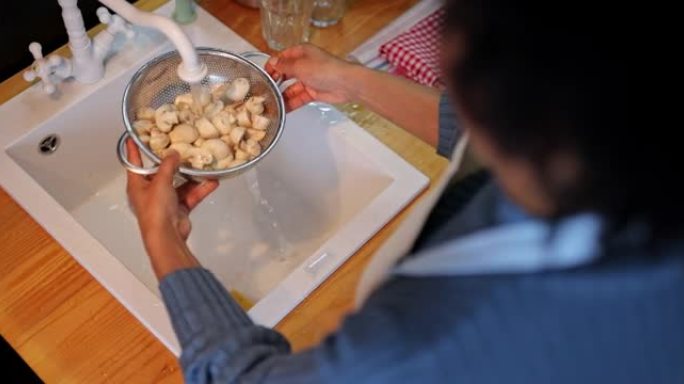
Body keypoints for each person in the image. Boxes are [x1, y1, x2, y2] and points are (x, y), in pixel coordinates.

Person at [125, 0, 682, 383]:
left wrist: (162, 239)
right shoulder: (603, 145)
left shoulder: (426, 341)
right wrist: (356, 81)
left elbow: (242, 376)